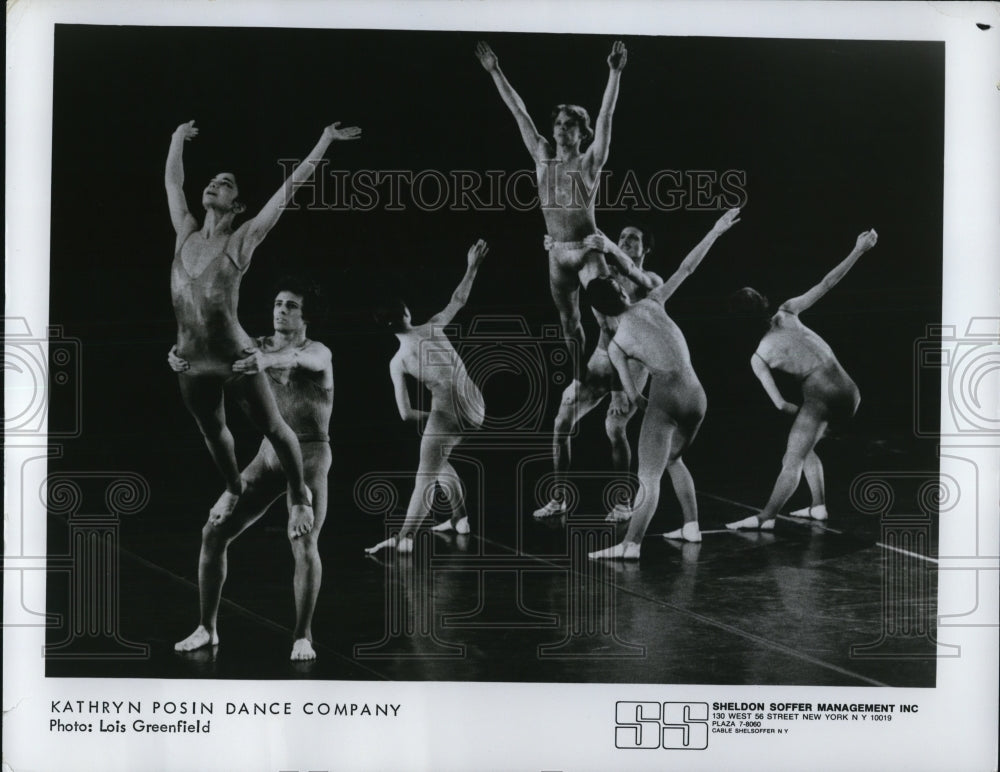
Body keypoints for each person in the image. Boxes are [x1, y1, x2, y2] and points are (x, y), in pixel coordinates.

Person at [165, 119, 359, 532]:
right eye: (214, 180)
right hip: (189, 360)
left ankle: (298, 497)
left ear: (237, 206)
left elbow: (287, 192)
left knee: (275, 427)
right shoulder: (185, 231)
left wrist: (323, 139)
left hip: (236, 357)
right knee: (212, 431)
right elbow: (173, 185)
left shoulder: (241, 240)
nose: (215, 183)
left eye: (226, 183)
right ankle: (233, 486)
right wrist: (176, 139)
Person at [172, 278, 333, 661]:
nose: (281, 309)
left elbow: (299, 360)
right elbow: (213, 350)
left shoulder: (318, 351)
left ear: (306, 315)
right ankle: (206, 629)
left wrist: (268, 360)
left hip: (310, 454)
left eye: (291, 305)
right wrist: (181, 357)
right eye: (278, 302)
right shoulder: (255, 346)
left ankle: (302, 636)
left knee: (303, 541)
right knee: (212, 532)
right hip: (267, 455)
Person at [475, 40, 655, 375]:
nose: (560, 128)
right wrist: (495, 71)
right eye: (558, 123)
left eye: (569, 125)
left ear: (581, 133)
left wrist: (615, 73)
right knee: (568, 324)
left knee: (611, 316)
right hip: (557, 252)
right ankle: (579, 378)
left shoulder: (590, 162)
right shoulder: (542, 156)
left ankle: (624, 376)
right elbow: (518, 111)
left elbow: (606, 115)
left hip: (587, 250)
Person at [586, 208, 741, 559]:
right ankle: (691, 526)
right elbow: (687, 267)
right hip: (697, 393)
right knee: (674, 459)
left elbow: (631, 395)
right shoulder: (655, 300)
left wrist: (649, 408)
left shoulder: (617, 343)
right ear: (624, 294)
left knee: (649, 474)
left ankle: (630, 545)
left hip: (667, 393)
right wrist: (715, 231)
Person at [726, 229, 878, 531]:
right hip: (850, 390)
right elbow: (828, 282)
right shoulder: (788, 311)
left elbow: (781, 404)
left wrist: (807, 416)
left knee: (792, 457)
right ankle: (818, 506)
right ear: (763, 302)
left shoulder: (759, 357)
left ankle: (765, 518)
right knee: (806, 446)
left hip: (820, 394)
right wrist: (859, 249)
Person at [365, 240, 489, 554]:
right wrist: (472, 265)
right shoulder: (433, 326)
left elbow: (405, 414)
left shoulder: (398, 362)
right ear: (407, 313)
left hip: (449, 413)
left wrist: (435, 422)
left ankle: (403, 538)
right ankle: (460, 519)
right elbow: (459, 298)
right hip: (478, 408)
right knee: (439, 459)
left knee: (425, 474)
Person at [532, 226, 663, 521]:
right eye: (622, 237)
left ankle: (622, 502)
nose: (625, 241)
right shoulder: (606, 274)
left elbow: (626, 326)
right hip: (603, 357)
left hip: (632, 363)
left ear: (646, 249)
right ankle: (558, 498)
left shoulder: (650, 280)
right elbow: (572, 266)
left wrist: (619, 390)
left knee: (614, 428)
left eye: (634, 238)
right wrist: (557, 248)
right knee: (561, 422)